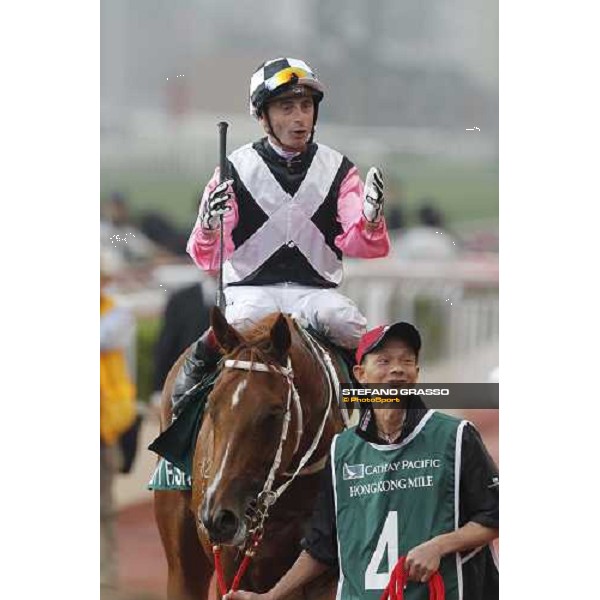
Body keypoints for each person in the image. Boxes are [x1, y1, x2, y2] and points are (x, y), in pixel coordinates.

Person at [172, 57, 391, 413]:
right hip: (251, 292)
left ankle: (378, 415)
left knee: (346, 322)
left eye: (306, 106)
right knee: (238, 323)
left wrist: (369, 218)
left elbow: (360, 243)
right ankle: (186, 396)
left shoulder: (339, 169)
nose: (299, 118)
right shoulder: (234, 168)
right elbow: (207, 257)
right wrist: (210, 226)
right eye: (287, 107)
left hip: (315, 294)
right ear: (263, 116)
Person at [226, 322, 499, 600]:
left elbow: (495, 515)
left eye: (407, 361)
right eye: (384, 361)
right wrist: (270, 597)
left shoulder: (455, 436)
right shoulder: (341, 450)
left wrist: (438, 546)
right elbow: (323, 545)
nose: (397, 368)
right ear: (360, 374)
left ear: (416, 373)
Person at [100, 257, 137, 596]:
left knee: (102, 512)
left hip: (102, 429)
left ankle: (105, 587)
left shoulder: (116, 313)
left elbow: (103, 339)